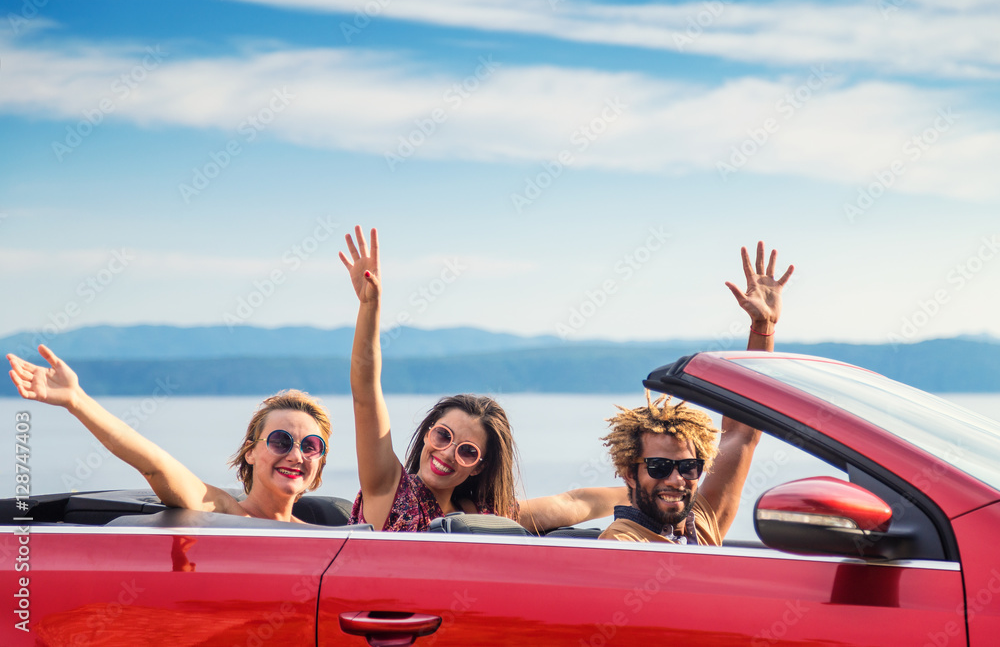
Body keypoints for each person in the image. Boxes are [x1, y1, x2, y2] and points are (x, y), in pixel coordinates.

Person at [340, 225, 625, 532]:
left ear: (480, 467)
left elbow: (574, 502)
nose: (448, 453)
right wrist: (370, 307)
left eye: (467, 451)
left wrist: (657, 489)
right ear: (427, 433)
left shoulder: (488, 517)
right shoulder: (390, 490)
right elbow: (365, 396)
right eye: (443, 435)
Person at [599, 241, 792, 544]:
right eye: (658, 466)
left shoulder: (702, 521)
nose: (676, 480)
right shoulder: (622, 542)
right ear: (628, 473)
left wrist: (763, 326)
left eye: (689, 467)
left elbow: (743, 431)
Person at [6, 346, 330, 522]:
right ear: (250, 451)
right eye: (280, 441)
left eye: (311, 446)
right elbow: (155, 464)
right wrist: (77, 401)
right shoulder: (224, 512)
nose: (295, 455)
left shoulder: (324, 536)